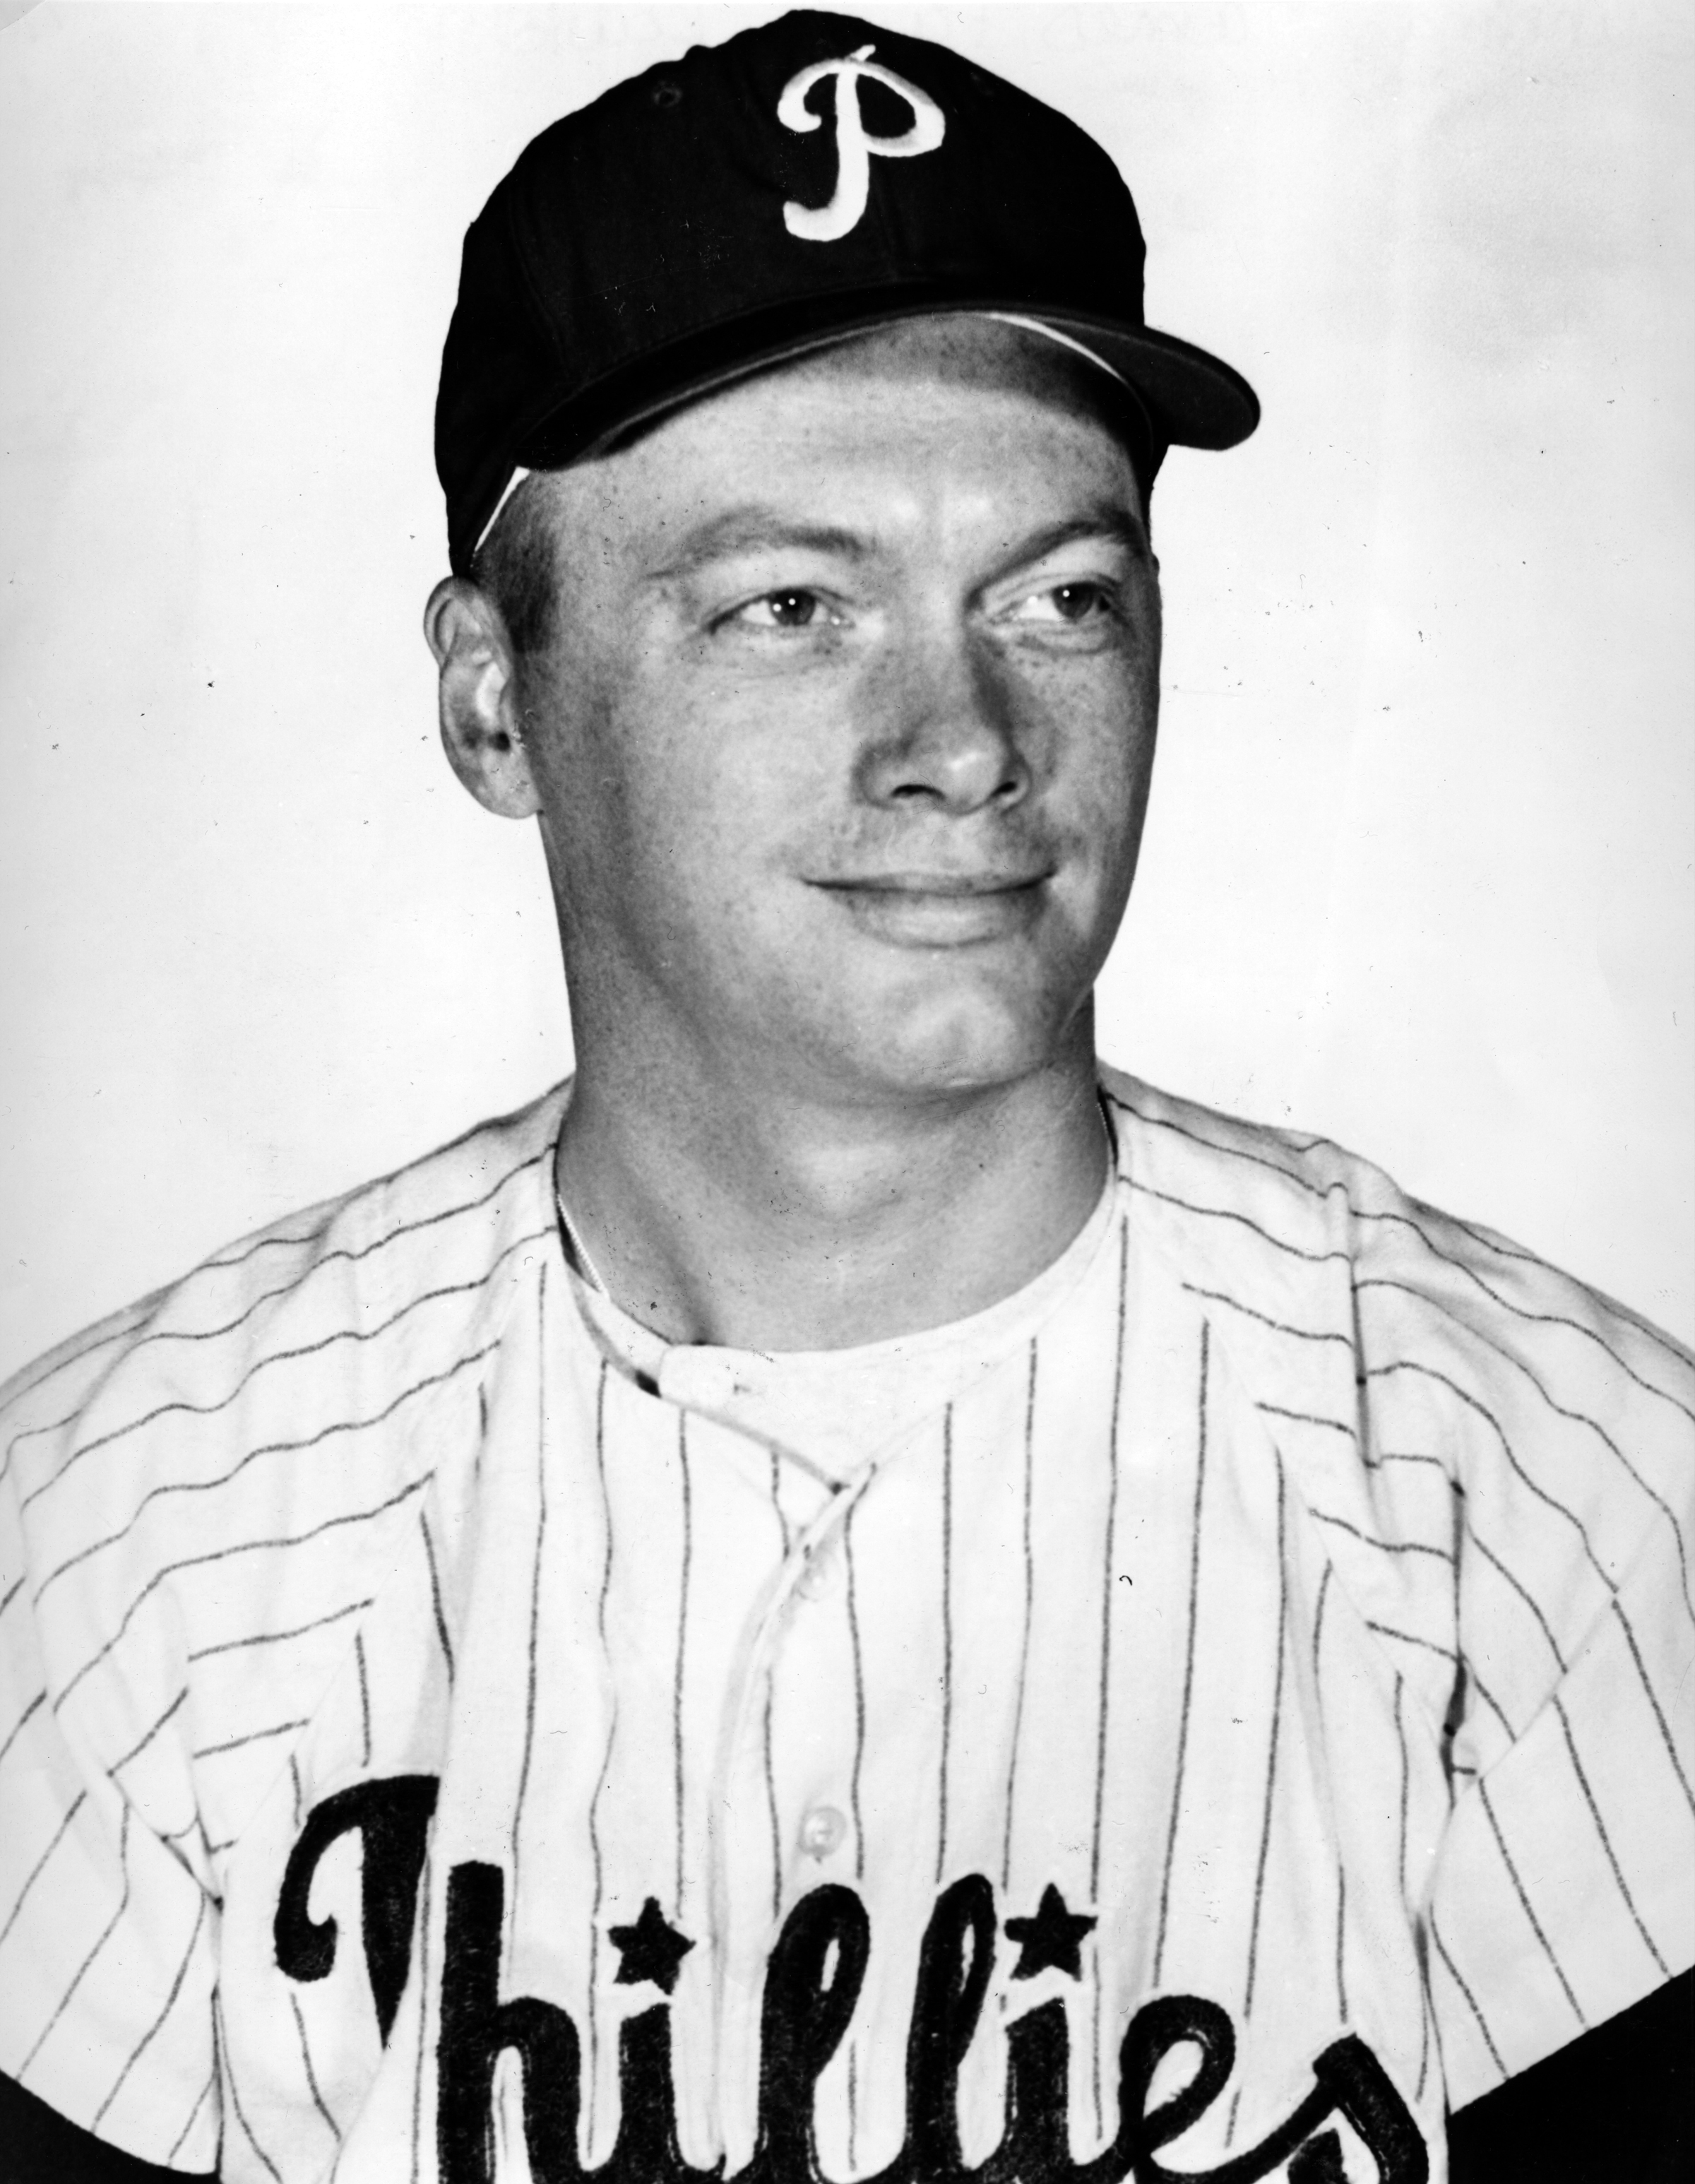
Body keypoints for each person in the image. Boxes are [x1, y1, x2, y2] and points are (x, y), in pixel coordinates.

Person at [0, 11, 1688, 2181]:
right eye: (792, 605)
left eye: (1059, 597)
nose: (965, 740)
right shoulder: (124, 1561)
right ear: (492, 699)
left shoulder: (1565, 1531)